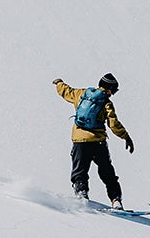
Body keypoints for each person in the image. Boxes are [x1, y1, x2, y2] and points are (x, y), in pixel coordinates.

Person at [54, 73, 134, 207]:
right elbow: (113, 124)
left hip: (79, 141)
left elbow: (66, 92)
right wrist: (125, 136)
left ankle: (81, 196)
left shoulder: (81, 94)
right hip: (98, 142)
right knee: (107, 172)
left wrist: (59, 83)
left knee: (79, 172)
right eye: (113, 91)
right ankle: (116, 200)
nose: (112, 94)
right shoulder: (106, 103)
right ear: (109, 89)